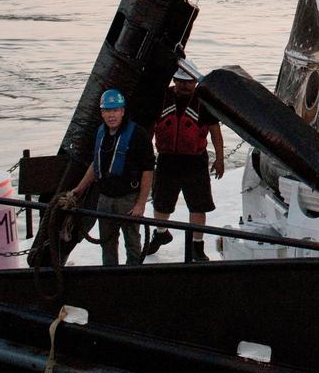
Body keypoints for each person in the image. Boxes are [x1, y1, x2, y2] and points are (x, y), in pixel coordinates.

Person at [70, 88, 154, 266]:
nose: (111, 115)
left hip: (128, 200)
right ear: (102, 113)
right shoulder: (101, 133)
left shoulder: (138, 135)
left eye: (115, 110)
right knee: (107, 243)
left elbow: (148, 170)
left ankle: (134, 275)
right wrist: (79, 189)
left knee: (132, 242)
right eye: (107, 111)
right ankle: (110, 274)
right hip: (105, 199)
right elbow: (96, 164)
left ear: (123, 111)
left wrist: (140, 204)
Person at [148, 67, 224, 261]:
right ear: (174, 80)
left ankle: (197, 245)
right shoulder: (162, 97)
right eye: (180, 81)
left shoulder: (203, 101)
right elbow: (150, 124)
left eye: (189, 82)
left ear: (195, 82)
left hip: (195, 160)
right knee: (161, 201)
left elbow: (215, 130)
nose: (184, 85)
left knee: (198, 205)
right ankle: (161, 233)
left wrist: (220, 158)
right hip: (166, 158)